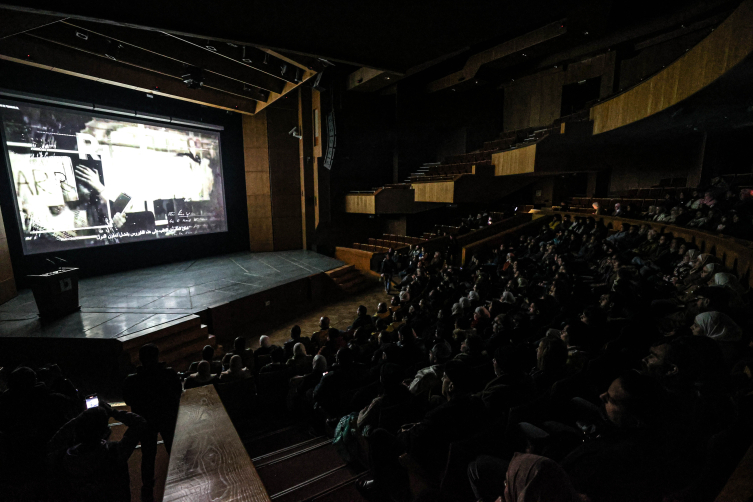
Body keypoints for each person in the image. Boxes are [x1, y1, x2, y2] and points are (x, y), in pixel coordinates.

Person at [47, 402, 146, 502]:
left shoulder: (65, 459)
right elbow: (139, 423)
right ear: (105, 431)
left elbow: (53, 443)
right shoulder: (114, 453)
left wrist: (80, 419)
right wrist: (113, 413)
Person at [121, 344, 182, 502]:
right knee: (173, 449)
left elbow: (128, 400)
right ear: (157, 356)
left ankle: (147, 487)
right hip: (167, 419)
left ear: (140, 359)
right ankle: (182, 478)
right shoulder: (169, 374)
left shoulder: (131, 380)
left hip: (145, 422)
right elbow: (177, 393)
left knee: (148, 455)